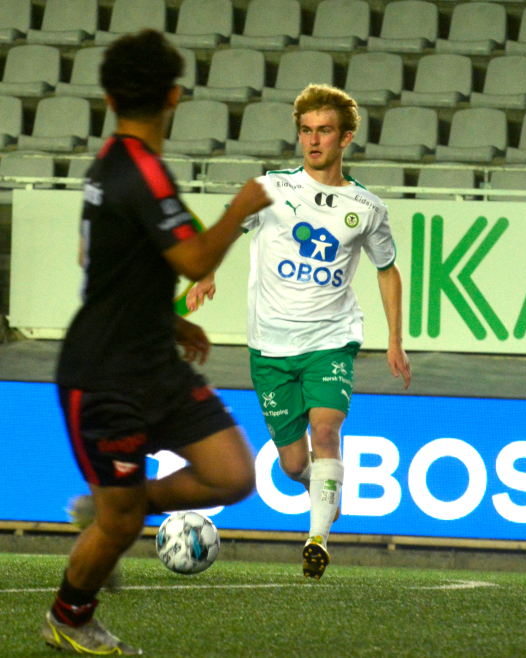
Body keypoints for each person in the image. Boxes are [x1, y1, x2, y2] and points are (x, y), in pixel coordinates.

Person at [44, 30, 271, 655]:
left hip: (152, 362)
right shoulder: (141, 172)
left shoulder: (111, 164)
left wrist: (167, 322)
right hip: (105, 376)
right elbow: (195, 260)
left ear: (109, 98)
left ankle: (108, 507)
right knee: (121, 525)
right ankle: (69, 617)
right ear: (174, 96)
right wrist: (241, 209)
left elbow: (104, 264)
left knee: (232, 474)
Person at [188, 84, 412, 580]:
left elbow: (387, 269)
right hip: (269, 346)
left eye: (324, 131)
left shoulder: (367, 208)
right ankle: (324, 490)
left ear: (345, 138)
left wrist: (395, 339)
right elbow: (228, 227)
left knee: (326, 431)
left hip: (330, 340)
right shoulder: (269, 189)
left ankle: (317, 540)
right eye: (306, 131)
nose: (313, 140)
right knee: (293, 465)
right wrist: (206, 273)